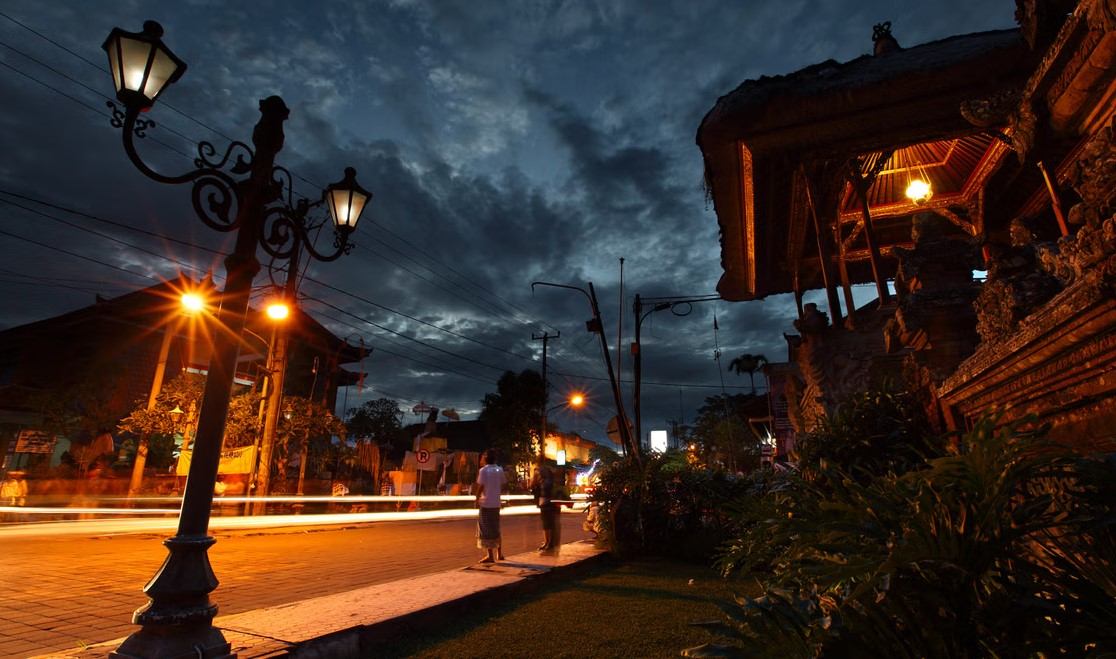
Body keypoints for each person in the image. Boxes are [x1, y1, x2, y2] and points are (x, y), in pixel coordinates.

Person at [474, 449, 506, 563]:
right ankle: (500, 554)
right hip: (496, 503)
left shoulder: (483, 470)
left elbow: (481, 486)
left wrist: (476, 498)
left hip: (486, 504)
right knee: (496, 528)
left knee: (486, 530)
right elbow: (502, 485)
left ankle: (490, 556)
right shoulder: (499, 470)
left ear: (485, 458)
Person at [530, 455, 560, 552]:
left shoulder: (538, 471)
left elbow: (532, 483)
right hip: (552, 498)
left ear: (538, 461)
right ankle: (549, 542)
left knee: (545, 521)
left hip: (543, 498)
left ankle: (547, 543)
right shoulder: (550, 470)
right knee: (550, 521)